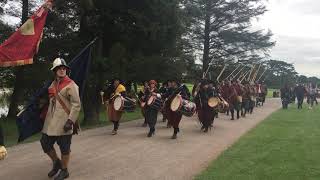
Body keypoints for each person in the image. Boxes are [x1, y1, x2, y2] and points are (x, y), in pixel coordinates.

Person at [40, 58, 81, 180]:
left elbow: (76, 104)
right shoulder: (52, 84)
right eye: (59, 68)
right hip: (51, 122)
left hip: (65, 121)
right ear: (55, 71)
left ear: (67, 70)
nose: (62, 70)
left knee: (64, 147)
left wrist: (70, 121)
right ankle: (56, 162)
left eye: (64, 68)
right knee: (45, 143)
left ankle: (64, 170)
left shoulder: (71, 85)